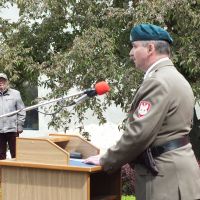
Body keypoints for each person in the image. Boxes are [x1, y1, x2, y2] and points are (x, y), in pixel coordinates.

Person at [84, 23, 200, 200]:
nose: (131, 53)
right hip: (177, 171)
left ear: (150, 48)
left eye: (134, 46)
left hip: (164, 177)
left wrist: (105, 159)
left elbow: (138, 134)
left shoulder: (158, 82)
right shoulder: (175, 77)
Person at [0, 72, 26, 159]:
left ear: (7, 82)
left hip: (13, 129)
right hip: (0, 131)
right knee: (1, 156)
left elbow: (21, 110)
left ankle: (16, 172)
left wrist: (20, 125)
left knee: (16, 155)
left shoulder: (15, 94)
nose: (1, 82)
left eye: (3, 80)